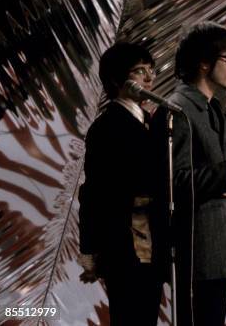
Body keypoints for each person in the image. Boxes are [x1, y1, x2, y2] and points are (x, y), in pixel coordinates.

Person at [151, 22, 226, 326]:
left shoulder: (215, 110)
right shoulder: (177, 110)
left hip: (218, 248)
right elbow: (173, 182)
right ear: (204, 63)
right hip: (194, 248)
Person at [78, 42, 164, 326]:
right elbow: (92, 193)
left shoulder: (152, 122)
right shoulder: (105, 127)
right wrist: (89, 248)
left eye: (151, 70)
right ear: (116, 79)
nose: (150, 78)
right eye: (140, 71)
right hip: (123, 242)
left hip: (152, 239)